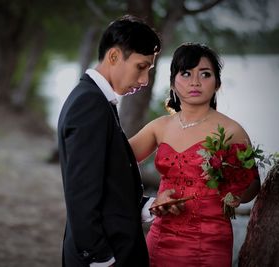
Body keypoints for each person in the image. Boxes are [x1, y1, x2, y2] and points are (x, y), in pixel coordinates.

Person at [57, 15, 179, 267]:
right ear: (113, 57)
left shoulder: (96, 100)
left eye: (149, 70)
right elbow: (81, 194)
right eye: (140, 67)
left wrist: (147, 206)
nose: (144, 80)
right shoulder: (89, 104)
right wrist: (100, 258)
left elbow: (107, 182)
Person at [129, 42, 261, 266]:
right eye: (186, 73)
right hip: (160, 237)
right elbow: (114, 162)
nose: (195, 81)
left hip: (209, 242)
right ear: (173, 82)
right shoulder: (159, 126)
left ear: (217, 83)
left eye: (205, 74)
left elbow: (251, 190)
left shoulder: (232, 131)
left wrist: (234, 185)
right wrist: (145, 202)